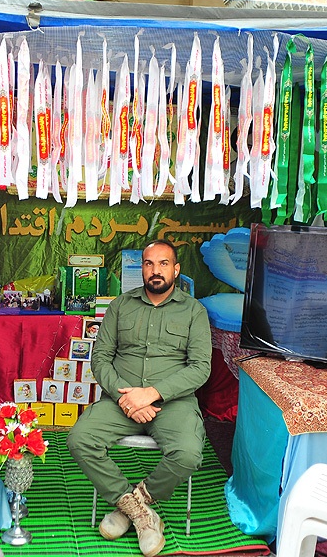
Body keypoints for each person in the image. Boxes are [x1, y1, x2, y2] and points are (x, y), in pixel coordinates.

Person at [67, 239, 210, 557]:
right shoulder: (120, 305)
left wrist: (152, 394)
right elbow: (100, 358)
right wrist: (126, 398)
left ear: (176, 269)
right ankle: (140, 514)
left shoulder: (194, 311)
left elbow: (201, 368)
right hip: (122, 399)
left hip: (172, 402)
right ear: (141, 268)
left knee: (188, 453)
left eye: (163, 264)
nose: (155, 270)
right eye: (149, 263)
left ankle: (135, 503)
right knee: (79, 438)